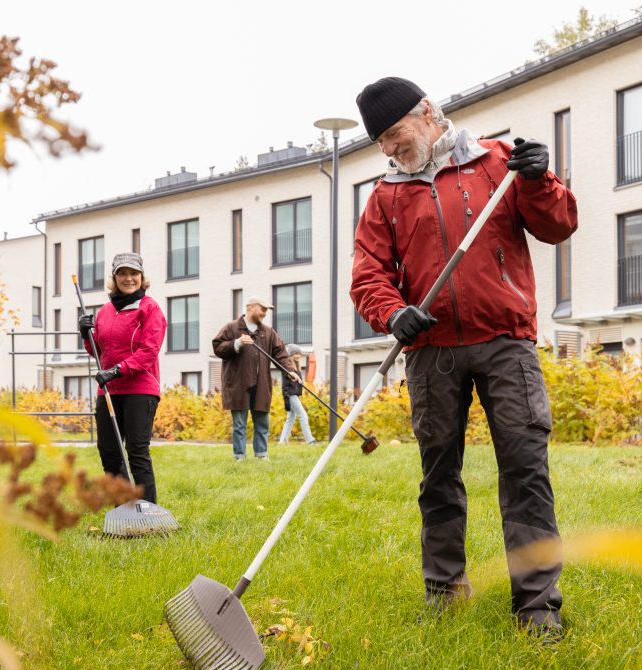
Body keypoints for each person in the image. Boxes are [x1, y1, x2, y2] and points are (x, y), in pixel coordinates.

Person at [350, 77, 578, 638]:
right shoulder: (385, 196)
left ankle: (537, 605)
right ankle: (444, 591)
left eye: (394, 134)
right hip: (431, 352)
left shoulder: (499, 164)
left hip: (506, 343)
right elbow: (367, 276)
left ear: (428, 112)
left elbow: (560, 224)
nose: (388, 148)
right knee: (438, 477)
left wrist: (539, 179)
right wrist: (393, 312)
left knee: (525, 470)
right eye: (379, 141)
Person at [78, 252, 166, 503]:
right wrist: (86, 334)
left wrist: (117, 370)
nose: (129, 279)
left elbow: (149, 352)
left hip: (140, 389)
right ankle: (125, 506)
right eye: (123, 274)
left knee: (137, 452)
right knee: (108, 451)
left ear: (141, 277)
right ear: (114, 278)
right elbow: (98, 351)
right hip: (108, 390)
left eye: (133, 274)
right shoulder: (105, 311)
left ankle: (148, 511)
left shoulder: (150, 309)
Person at [212, 297, 299, 460]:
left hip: (261, 385)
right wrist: (236, 343)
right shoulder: (231, 328)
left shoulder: (268, 332)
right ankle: (239, 457)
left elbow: (280, 353)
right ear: (251, 307)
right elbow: (217, 347)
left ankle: (261, 455)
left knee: (262, 421)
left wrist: (290, 370)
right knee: (239, 424)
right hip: (237, 384)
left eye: (267, 311)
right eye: (263, 309)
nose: (265, 314)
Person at [277, 344, 316, 445]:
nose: (298, 356)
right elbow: (288, 383)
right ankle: (310, 440)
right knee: (303, 416)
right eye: (295, 354)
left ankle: (282, 441)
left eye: (299, 354)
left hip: (294, 394)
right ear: (290, 354)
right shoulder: (288, 367)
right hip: (290, 394)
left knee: (290, 418)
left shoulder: (296, 366)